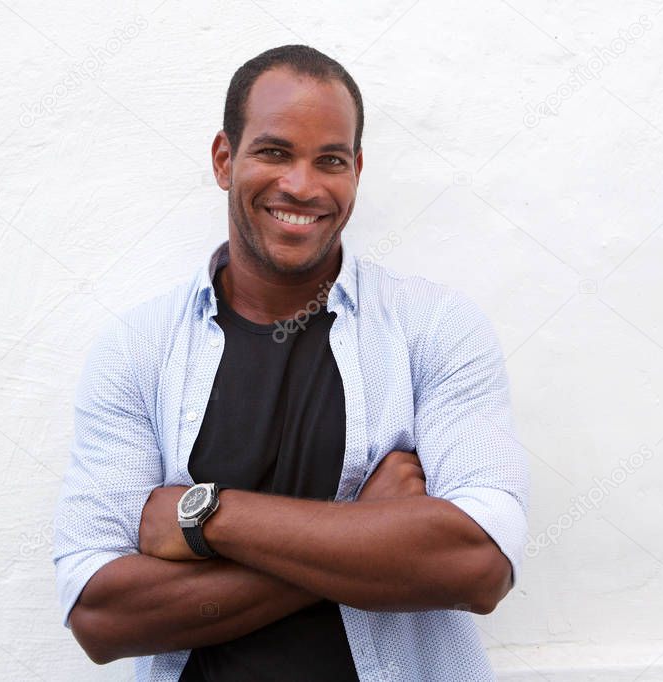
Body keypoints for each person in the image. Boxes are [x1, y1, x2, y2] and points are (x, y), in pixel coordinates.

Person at [52, 44, 529, 681]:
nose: (301, 186)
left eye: (329, 160)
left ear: (356, 170)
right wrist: (369, 537)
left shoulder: (435, 329)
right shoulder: (137, 350)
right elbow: (101, 615)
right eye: (275, 152)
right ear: (225, 159)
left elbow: (479, 564)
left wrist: (205, 516)